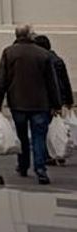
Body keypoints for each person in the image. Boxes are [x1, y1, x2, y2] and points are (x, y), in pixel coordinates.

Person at [0, 23, 62, 185]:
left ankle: (23, 165)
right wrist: (56, 104)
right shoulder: (43, 54)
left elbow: (2, 79)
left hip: (18, 102)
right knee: (38, 136)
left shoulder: (9, 53)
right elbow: (52, 82)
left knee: (22, 135)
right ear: (30, 35)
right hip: (40, 103)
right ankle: (40, 169)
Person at [35, 35, 73, 164]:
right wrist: (68, 100)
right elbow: (65, 81)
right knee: (57, 128)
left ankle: (48, 154)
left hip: (45, 99)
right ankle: (59, 151)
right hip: (58, 99)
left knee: (44, 129)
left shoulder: (41, 61)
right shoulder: (58, 60)